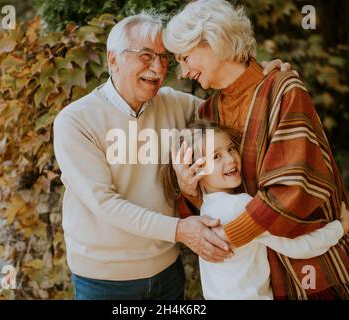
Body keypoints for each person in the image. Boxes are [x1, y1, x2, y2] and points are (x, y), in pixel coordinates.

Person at [53, 11, 289, 299]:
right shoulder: (75, 121)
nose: (158, 67)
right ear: (112, 59)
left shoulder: (177, 105)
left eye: (164, 58)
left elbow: (235, 110)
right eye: (146, 56)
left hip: (167, 272)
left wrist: (266, 80)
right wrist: (180, 230)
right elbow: (104, 203)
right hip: (104, 281)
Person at [163, 0, 349, 299]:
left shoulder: (284, 90)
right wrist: (190, 189)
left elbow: (294, 188)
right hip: (251, 272)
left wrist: (229, 236)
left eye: (185, 58)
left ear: (212, 40)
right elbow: (212, 200)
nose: (182, 72)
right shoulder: (207, 113)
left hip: (304, 256)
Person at [162, 120, 349, 299]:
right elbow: (297, 247)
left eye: (231, 148)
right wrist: (339, 228)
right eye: (216, 156)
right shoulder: (239, 206)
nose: (231, 159)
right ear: (195, 170)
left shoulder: (206, 207)